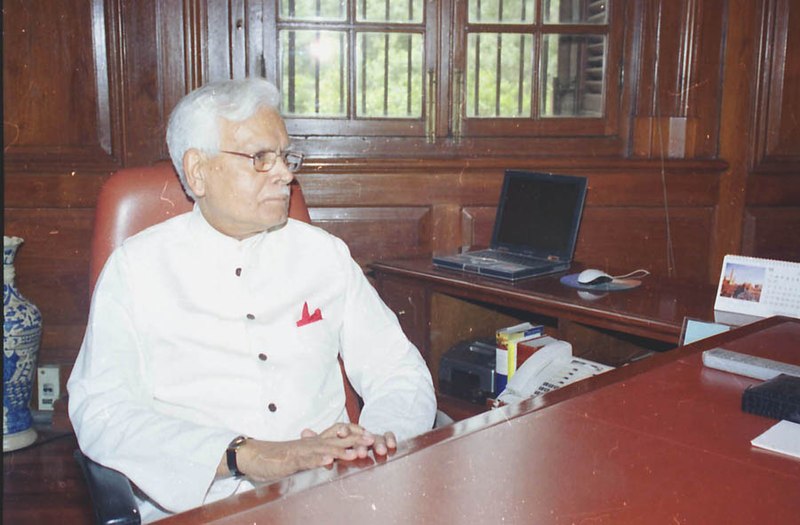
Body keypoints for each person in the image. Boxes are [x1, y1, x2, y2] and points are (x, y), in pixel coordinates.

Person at [68, 78, 437, 522]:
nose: (285, 173)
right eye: (261, 158)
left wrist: (372, 440)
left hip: (329, 495)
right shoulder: (135, 269)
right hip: (203, 502)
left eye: (285, 156)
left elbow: (398, 368)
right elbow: (102, 410)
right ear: (198, 171)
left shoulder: (324, 254)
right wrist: (243, 455)